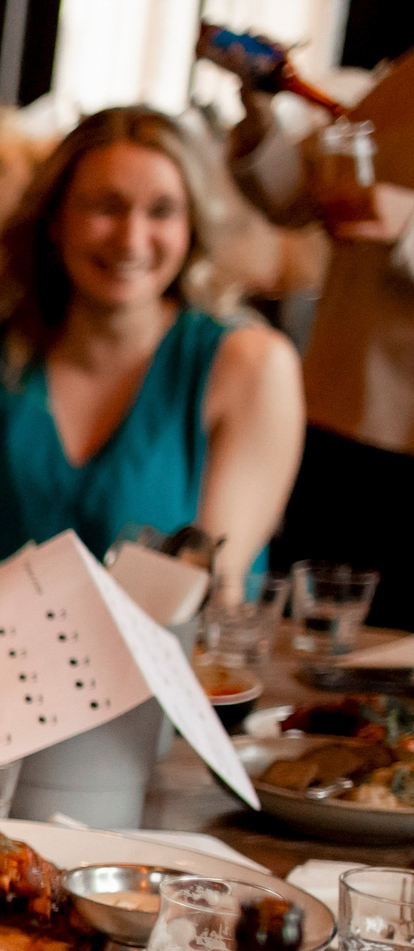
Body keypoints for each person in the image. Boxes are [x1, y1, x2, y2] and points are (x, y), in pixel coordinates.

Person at [0, 107, 303, 603]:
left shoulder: (252, 366)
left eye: (162, 211)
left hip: (174, 651)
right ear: (54, 220)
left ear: (192, 228)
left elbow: (215, 593)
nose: (131, 239)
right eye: (106, 207)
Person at [227, 55, 414, 630]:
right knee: (308, 631)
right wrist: (258, 105)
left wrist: (409, 225)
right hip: (335, 404)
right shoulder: (403, 79)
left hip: (403, 428)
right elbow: (295, 197)